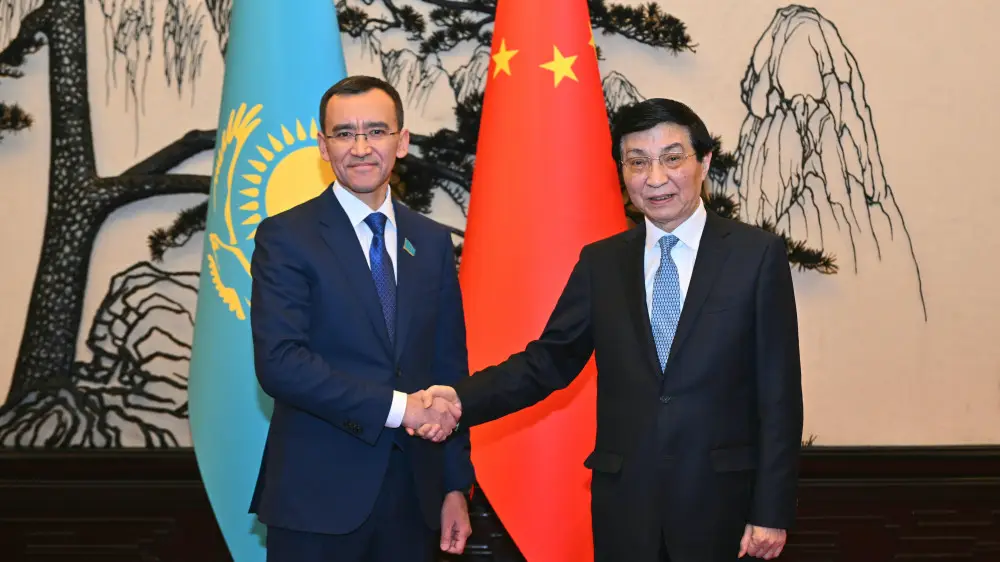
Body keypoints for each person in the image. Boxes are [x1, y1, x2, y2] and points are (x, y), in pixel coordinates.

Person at [420, 98, 803, 561]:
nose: (655, 178)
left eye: (672, 158)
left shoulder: (755, 255)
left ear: (704, 162)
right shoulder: (602, 262)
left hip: (724, 507)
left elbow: (779, 395)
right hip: (626, 508)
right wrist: (460, 399)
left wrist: (771, 510)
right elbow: (547, 362)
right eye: (637, 162)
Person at [248, 75, 474, 562]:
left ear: (402, 141)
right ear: (323, 147)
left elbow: (449, 369)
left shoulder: (431, 241)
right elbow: (281, 363)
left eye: (376, 131)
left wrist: (454, 486)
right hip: (317, 500)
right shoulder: (286, 237)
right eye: (344, 133)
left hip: (415, 499)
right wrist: (401, 408)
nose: (361, 147)